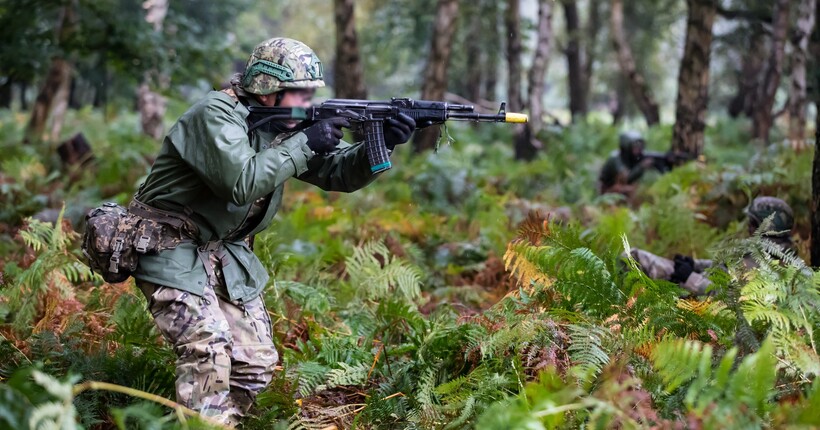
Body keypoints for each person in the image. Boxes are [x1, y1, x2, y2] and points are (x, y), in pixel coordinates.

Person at [127, 37, 416, 426]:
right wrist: (304, 141)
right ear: (267, 90)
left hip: (222, 251)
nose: (309, 102)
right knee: (207, 351)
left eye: (312, 93)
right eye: (299, 92)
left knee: (255, 365)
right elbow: (241, 182)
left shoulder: (284, 123)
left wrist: (379, 147)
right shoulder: (214, 115)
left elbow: (336, 173)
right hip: (167, 243)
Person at [629, 197, 796, 296]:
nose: (748, 228)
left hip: (702, 297)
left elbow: (729, 299)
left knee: (634, 260)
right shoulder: (767, 251)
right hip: (703, 280)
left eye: (752, 223)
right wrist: (695, 264)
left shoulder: (770, 263)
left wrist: (690, 278)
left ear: (765, 226)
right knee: (634, 257)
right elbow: (728, 265)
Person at [598, 131, 688, 196]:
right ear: (626, 147)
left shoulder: (635, 157)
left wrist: (667, 162)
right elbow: (626, 178)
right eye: (635, 147)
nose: (638, 150)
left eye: (640, 147)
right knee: (637, 191)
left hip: (622, 188)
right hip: (608, 189)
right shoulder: (616, 159)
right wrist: (642, 166)